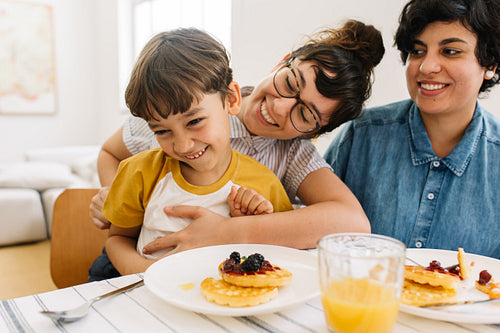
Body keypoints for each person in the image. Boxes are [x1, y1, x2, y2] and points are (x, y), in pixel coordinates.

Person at [89, 19, 385, 275]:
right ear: (282, 62)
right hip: (142, 260)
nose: (280, 107)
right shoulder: (180, 102)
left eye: (305, 114)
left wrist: (228, 232)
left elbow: (352, 221)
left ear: (315, 132)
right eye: (290, 82)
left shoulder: (293, 153)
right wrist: (115, 193)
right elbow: (110, 153)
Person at [99, 28, 294, 276]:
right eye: (161, 131)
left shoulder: (264, 184)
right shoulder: (138, 172)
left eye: (194, 122)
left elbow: (278, 258)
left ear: (232, 100)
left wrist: (256, 221)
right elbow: (117, 240)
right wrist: (145, 274)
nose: (182, 146)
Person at [324, 0, 500, 258]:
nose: (427, 67)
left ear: (490, 65)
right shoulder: (360, 135)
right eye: (417, 51)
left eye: (450, 51)